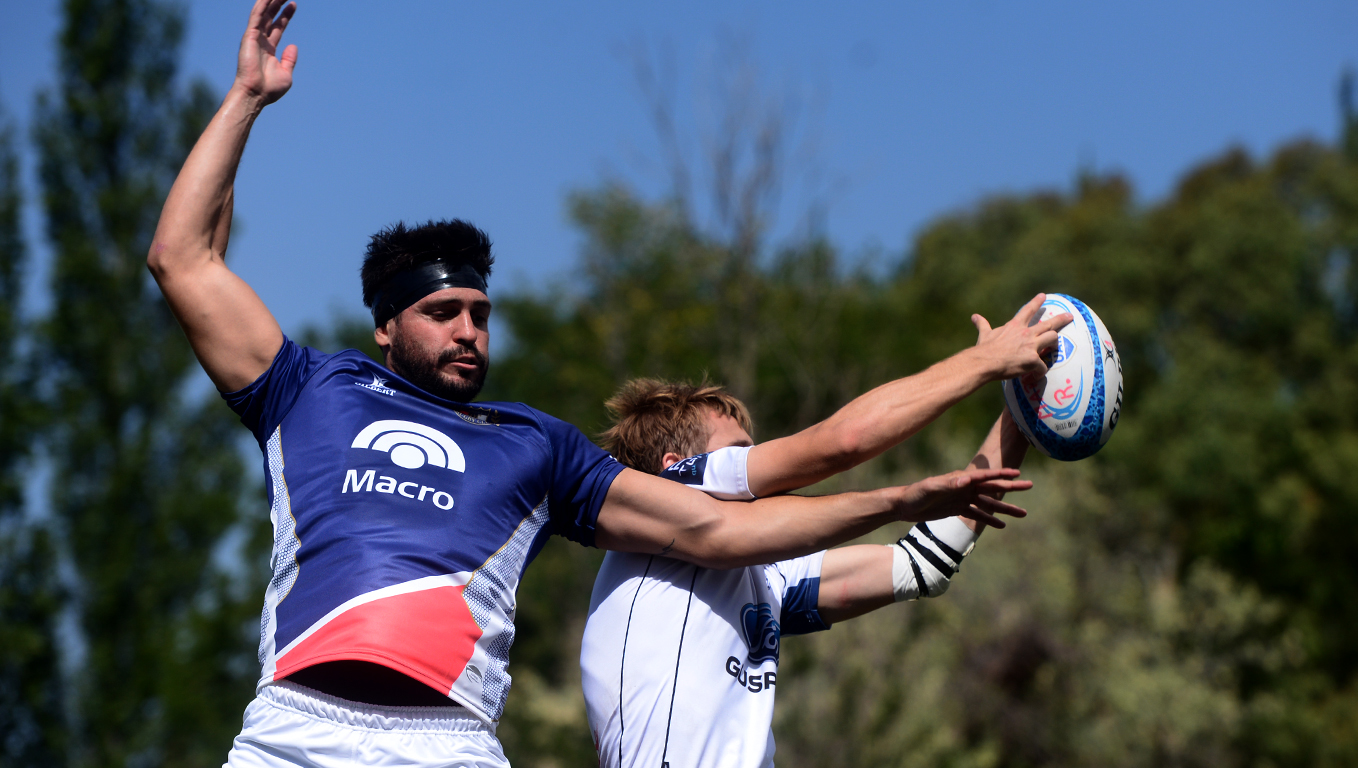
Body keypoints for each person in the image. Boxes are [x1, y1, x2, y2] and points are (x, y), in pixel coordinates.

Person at [147, 2, 1068, 765]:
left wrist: (951, 464)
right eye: (443, 312)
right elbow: (184, 260)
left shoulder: (535, 446)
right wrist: (247, 99)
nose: (470, 329)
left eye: (482, 311)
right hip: (292, 731)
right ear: (385, 326)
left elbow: (725, 531)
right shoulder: (311, 390)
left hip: (446, 741)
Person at [582, 380, 1032, 768]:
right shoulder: (665, 496)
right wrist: (985, 365)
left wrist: (1023, 413)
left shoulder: (767, 577)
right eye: (739, 453)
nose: (756, 461)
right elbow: (844, 441)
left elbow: (922, 565)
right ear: (676, 465)